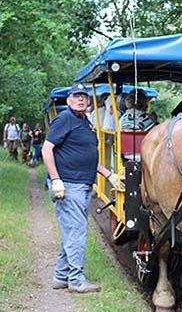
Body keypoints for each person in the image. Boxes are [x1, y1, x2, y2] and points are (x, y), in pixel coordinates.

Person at [42, 83, 123, 293]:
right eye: (76, 96)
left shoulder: (84, 121)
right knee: (77, 231)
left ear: (88, 101)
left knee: (71, 230)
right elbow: (47, 149)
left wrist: (108, 174)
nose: (81, 100)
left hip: (82, 184)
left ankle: (61, 276)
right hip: (68, 185)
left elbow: (87, 156)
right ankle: (76, 280)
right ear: (69, 100)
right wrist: (55, 179)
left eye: (84, 97)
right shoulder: (64, 119)